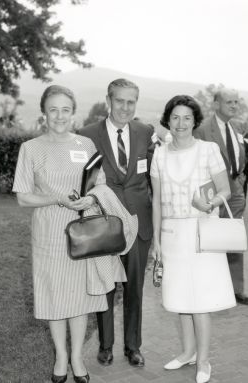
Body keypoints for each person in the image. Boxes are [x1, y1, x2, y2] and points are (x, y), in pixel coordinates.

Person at [13, 85, 131, 383]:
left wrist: (90, 199)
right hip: (50, 233)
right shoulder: (31, 148)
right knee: (55, 296)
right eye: (53, 109)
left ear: (73, 112)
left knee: (79, 297)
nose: (59, 115)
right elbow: (23, 197)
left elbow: (99, 184)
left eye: (65, 109)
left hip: (83, 234)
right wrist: (57, 199)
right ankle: (61, 357)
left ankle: (77, 356)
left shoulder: (85, 145)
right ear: (44, 112)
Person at [150, 95, 235, 383]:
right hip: (172, 234)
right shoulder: (159, 154)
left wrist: (211, 204)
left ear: (195, 121)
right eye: (175, 117)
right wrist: (157, 241)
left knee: (200, 300)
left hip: (202, 231)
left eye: (187, 117)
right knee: (180, 299)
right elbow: (157, 200)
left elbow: (226, 190)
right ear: (168, 120)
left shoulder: (208, 150)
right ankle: (187, 352)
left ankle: (204, 361)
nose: (181, 123)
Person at [78, 78, 154, 367]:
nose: (125, 107)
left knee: (135, 289)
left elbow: (154, 177)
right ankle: (105, 344)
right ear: (108, 100)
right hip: (105, 223)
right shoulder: (86, 135)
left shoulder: (146, 132)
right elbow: (82, 180)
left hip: (139, 223)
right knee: (106, 285)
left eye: (130, 101)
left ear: (136, 103)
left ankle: (133, 346)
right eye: (119, 101)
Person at [193, 88, 248, 305]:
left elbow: (239, 156)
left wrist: (240, 179)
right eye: (229, 102)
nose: (234, 106)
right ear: (216, 104)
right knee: (212, 240)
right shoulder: (202, 130)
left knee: (233, 239)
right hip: (214, 193)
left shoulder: (236, 127)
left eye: (236, 102)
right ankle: (211, 287)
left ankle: (237, 289)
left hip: (235, 192)